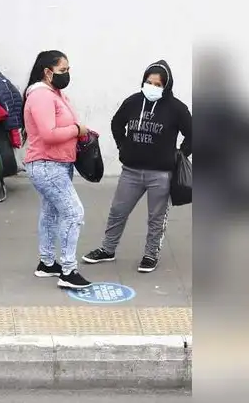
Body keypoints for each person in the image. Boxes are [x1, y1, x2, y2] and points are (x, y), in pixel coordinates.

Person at [83, 60, 192, 273]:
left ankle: (150, 255)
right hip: (131, 172)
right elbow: (116, 123)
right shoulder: (133, 102)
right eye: (149, 82)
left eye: (158, 84)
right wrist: (122, 146)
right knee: (117, 211)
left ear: (166, 85)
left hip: (160, 174)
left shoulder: (177, 109)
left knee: (156, 218)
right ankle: (107, 249)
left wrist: (180, 155)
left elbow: (193, 134)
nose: (152, 87)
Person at [22, 50, 92, 290]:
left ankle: (47, 263)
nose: (67, 74)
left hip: (57, 164)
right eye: (63, 70)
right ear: (47, 72)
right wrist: (76, 129)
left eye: (69, 69)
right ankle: (68, 270)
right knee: (74, 213)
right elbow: (48, 133)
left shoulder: (56, 94)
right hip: (46, 164)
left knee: (51, 213)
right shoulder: (41, 96)